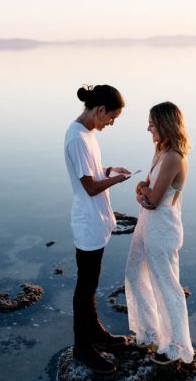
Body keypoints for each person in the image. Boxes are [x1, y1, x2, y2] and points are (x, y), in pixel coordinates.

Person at [64, 84, 131, 374]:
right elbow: (89, 187)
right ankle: (82, 348)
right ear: (99, 110)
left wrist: (110, 170)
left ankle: (96, 334)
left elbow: (93, 174)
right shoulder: (77, 137)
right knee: (85, 287)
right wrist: (115, 182)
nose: (111, 123)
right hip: (87, 222)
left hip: (97, 219)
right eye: (111, 117)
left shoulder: (88, 135)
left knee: (90, 283)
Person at [125, 101, 194, 365]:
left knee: (167, 286)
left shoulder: (174, 156)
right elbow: (147, 190)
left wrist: (143, 191)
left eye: (152, 124)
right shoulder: (161, 151)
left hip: (162, 227)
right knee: (135, 273)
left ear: (165, 125)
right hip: (148, 223)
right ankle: (151, 331)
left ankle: (176, 345)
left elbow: (151, 199)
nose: (148, 129)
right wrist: (143, 189)